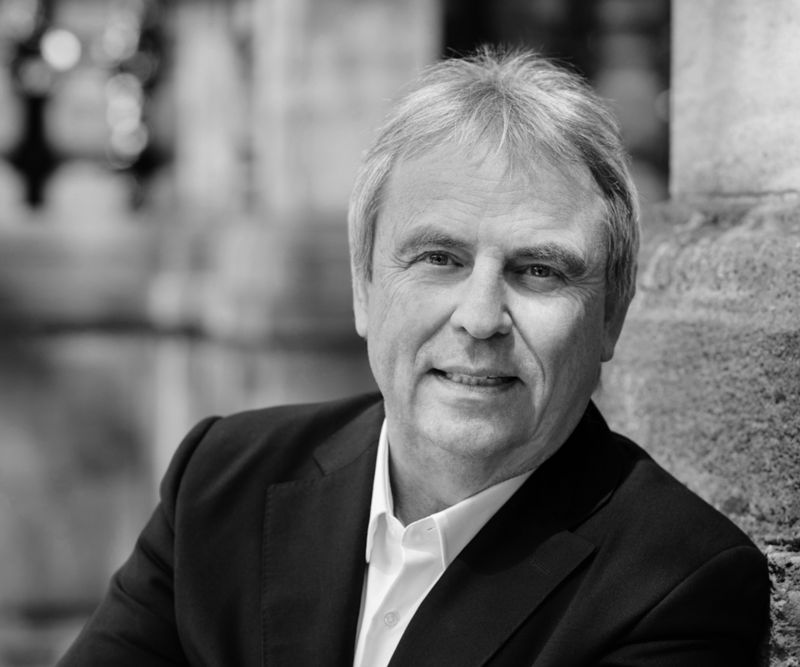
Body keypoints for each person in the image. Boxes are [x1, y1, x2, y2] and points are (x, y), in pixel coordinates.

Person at [58, 48, 769, 667]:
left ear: (612, 314)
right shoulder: (222, 483)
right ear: (364, 286)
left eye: (539, 270)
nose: (481, 318)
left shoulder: (676, 586)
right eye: (439, 258)